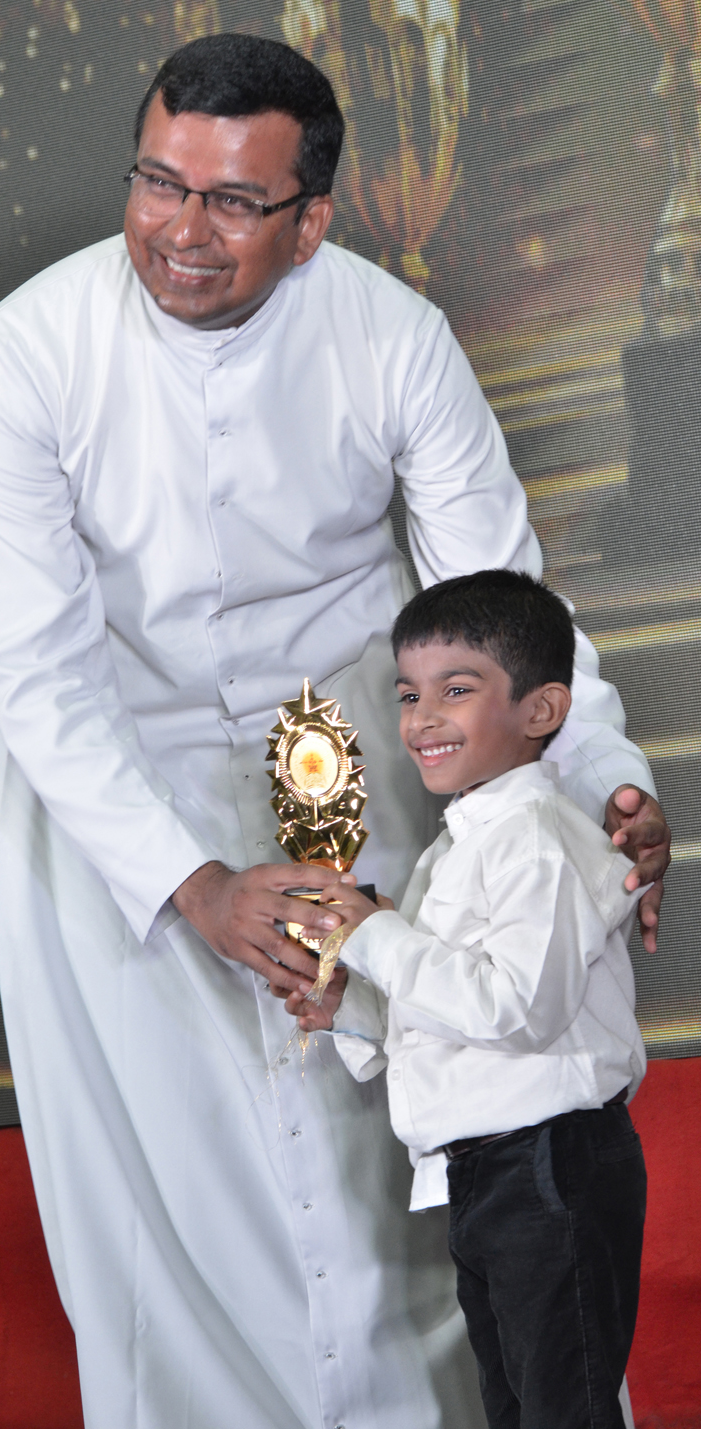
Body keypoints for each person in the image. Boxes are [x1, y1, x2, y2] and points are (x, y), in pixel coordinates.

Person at [0, 34, 668, 1429]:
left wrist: (602, 782)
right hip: (106, 780)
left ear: (313, 218)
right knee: (165, 1204)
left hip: (355, 744)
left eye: (232, 201)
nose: (180, 231)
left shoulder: (393, 335)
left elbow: (504, 599)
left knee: (424, 1131)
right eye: (159, 182)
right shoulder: (24, 355)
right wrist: (191, 884)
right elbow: (39, 677)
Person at [289, 570, 647, 1429]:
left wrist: (376, 932)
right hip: (488, 1170)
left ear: (542, 709)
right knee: (516, 1406)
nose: (422, 719)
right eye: (409, 695)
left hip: (552, 1160)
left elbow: (518, 1008)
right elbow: (444, 1016)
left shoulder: (534, 839)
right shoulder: (456, 848)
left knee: (565, 1409)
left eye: (456, 690)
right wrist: (349, 1009)